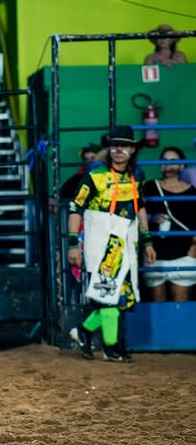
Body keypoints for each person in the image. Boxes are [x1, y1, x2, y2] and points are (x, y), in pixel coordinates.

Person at [68, 125, 156, 362]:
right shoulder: (95, 175)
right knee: (109, 292)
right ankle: (110, 347)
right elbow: (75, 207)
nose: (118, 150)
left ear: (133, 149)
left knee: (124, 295)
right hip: (102, 242)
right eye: (114, 145)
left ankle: (84, 332)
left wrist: (147, 241)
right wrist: (72, 244)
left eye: (124, 145)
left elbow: (141, 207)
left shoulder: (137, 175)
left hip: (127, 242)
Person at [141, 147, 196, 303]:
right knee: (156, 301)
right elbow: (139, 215)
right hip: (154, 254)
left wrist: (193, 250)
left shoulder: (192, 192)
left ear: (182, 165)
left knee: (181, 300)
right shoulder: (149, 188)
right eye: (164, 161)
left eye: (173, 161)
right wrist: (152, 218)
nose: (167, 165)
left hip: (184, 255)